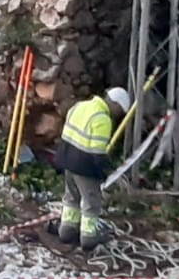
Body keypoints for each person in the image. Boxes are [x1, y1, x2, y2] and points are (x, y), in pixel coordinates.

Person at [53, 86, 132, 251]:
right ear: (115, 104)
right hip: (84, 166)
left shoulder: (79, 106)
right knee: (91, 202)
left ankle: (66, 230)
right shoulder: (102, 119)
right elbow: (97, 153)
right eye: (119, 111)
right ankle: (89, 237)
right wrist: (105, 173)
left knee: (71, 198)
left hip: (67, 161)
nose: (117, 115)